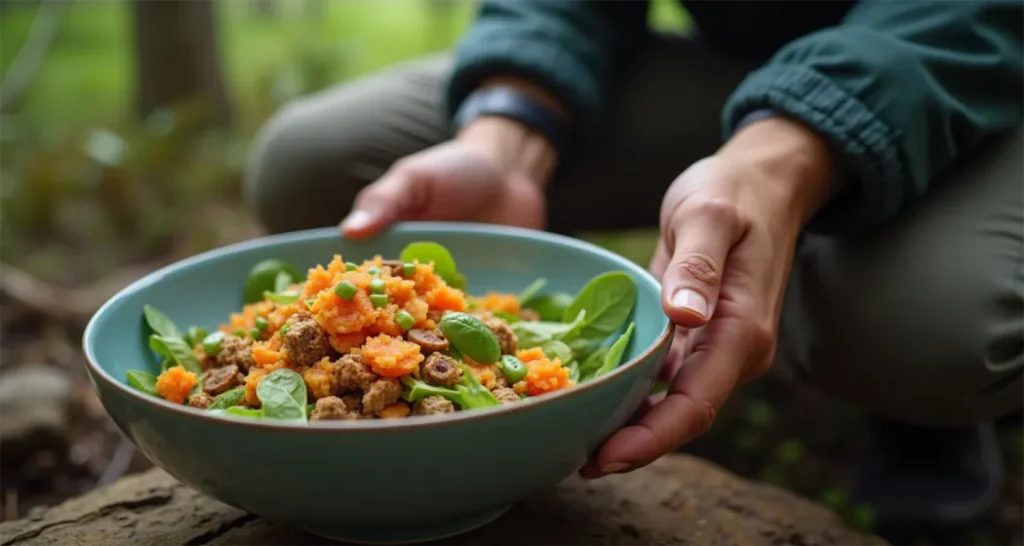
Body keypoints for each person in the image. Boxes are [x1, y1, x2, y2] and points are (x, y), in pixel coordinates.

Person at [245, 0, 1024, 532]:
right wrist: (508, 134)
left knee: (934, 328)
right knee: (314, 160)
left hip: (975, 62)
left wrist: (785, 161)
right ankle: (791, 234)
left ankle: (895, 372)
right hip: (737, 66)